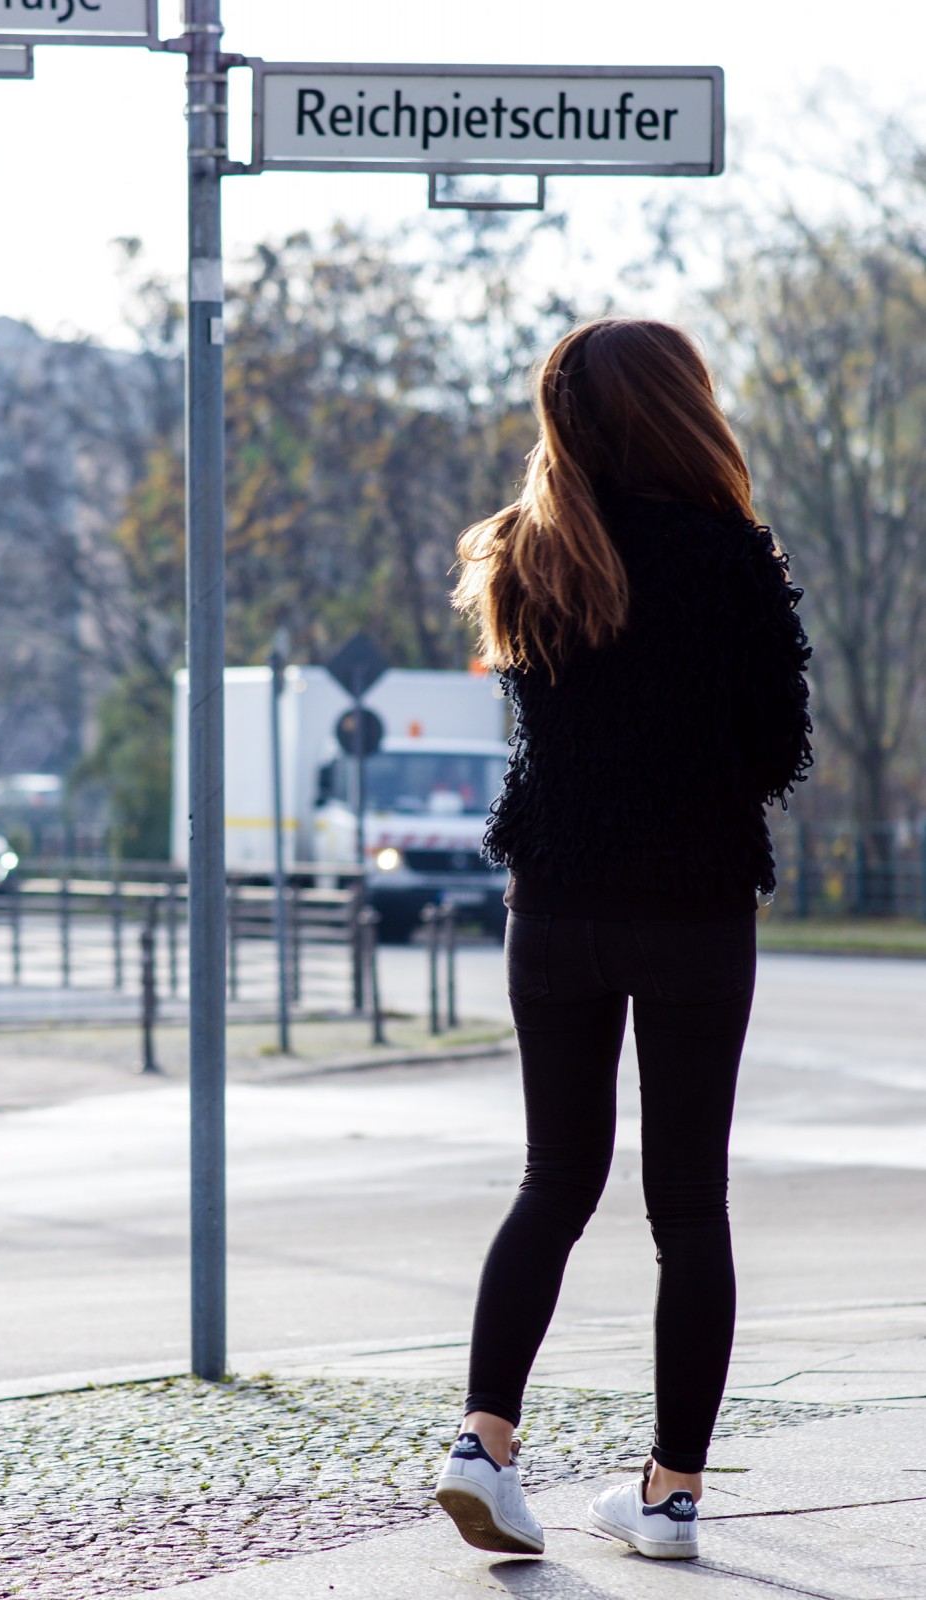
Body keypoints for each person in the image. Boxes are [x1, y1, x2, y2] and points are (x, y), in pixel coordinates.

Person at [433, 318, 812, 1561]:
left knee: (554, 1180)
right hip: (692, 912)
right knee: (687, 1204)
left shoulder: (520, 553)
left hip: (552, 910)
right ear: (679, 410)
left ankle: (482, 1444)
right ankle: (669, 1496)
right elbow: (776, 751)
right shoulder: (729, 556)